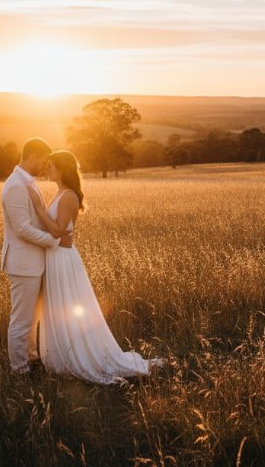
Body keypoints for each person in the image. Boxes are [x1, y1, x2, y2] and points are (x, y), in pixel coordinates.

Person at [25, 149, 164, 384]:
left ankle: (78, 357)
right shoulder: (59, 192)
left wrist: (39, 209)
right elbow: (54, 229)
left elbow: (58, 230)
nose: (47, 169)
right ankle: (60, 356)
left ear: (62, 169)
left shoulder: (68, 195)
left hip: (62, 258)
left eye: (51, 166)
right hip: (55, 255)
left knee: (66, 304)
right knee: (58, 306)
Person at [0, 138, 73, 375]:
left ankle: (30, 359)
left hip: (36, 263)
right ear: (32, 156)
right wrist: (54, 241)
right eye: (43, 159)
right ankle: (19, 370)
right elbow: (22, 228)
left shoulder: (27, 182)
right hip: (23, 264)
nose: (45, 164)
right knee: (21, 321)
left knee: (32, 319)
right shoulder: (15, 186)